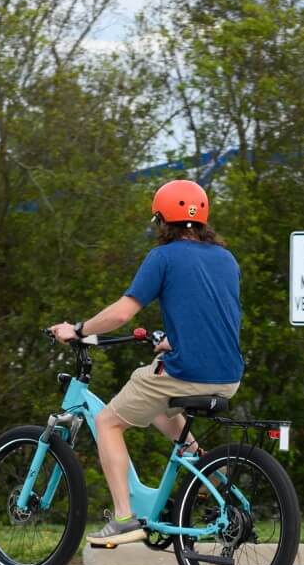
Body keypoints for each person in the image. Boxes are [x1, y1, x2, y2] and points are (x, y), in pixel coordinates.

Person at [48, 180, 242, 546]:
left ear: (162, 221)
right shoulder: (226, 259)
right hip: (229, 375)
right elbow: (216, 316)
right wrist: (173, 341)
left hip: (189, 374)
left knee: (107, 422)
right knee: (158, 405)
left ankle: (123, 518)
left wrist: (78, 329)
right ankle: (211, 475)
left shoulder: (163, 257)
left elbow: (122, 314)